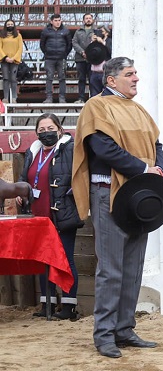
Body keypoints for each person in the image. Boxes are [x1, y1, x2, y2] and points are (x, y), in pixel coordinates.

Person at [71, 57, 163, 359]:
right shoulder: (96, 107)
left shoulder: (137, 109)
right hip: (108, 193)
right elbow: (104, 148)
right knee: (111, 269)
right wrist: (145, 168)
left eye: (136, 72)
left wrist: (158, 168)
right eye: (130, 74)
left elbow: (158, 144)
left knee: (133, 266)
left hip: (139, 195)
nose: (136, 78)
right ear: (111, 80)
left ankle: (124, 328)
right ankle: (104, 335)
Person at [18, 114, 84, 320]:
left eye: (50, 128)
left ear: (59, 129)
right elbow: (24, 178)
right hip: (38, 215)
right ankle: (47, 304)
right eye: (42, 129)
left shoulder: (70, 149)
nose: (46, 132)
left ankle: (68, 307)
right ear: (37, 132)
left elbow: (80, 175)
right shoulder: (32, 152)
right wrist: (22, 192)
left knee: (65, 259)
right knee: (42, 260)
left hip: (61, 214)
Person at [39, 14, 72, 104]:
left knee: (62, 78)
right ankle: (49, 98)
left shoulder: (66, 31)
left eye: (59, 20)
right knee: (49, 78)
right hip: (49, 59)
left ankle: (62, 98)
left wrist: (64, 54)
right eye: (56, 20)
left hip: (62, 59)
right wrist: (47, 53)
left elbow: (69, 44)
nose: (58, 22)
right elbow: (42, 44)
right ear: (51, 21)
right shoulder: (46, 31)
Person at [72, 13, 95, 104]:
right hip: (80, 59)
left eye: (90, 18)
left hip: (92, 59)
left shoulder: (96, 31)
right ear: (83, 20)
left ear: (92, 20)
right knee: (81, 79)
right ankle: (81, 98)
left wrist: (89, 53)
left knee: (92, 79)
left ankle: (93, 97)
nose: (88, 20)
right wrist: (82, 52)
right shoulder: (78, 32)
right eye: (86, 18)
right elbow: (74, 43)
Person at [0, 19, 23, 104]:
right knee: (6, 78)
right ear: (5, 25)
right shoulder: (1, 36)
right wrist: (5, 57)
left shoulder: (18, 36)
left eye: (11, 24)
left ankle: (14, 98)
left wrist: (14, 58)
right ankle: (5, 98)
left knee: (13, 79)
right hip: (4, 60)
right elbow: (0, 47)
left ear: (14, 25)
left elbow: (20, 48)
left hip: (14, 60)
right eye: (8, 24)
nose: (10, 25)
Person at [88, 25, 112, 98]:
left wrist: (103, 43)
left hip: (104, 72)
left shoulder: (109, 41)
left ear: (107, 33)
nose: (100, 33)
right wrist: (92, 42)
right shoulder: (95, 42)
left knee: (106, 95)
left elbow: (110, 52)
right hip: (94, 72)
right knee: (94, 96)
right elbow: (89, 53)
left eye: (102, 31)